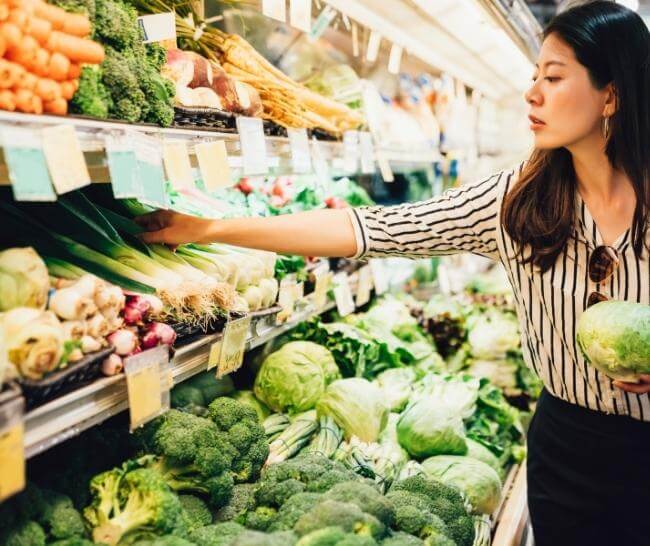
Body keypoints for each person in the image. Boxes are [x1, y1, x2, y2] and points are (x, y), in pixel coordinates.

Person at [137, 2, 649, 544]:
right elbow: (371, 228)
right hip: (567, 448)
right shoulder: (515, 205)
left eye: (553, 76)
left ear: (611, 94)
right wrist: (211, 228)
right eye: (533, 76)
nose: (532, 93)